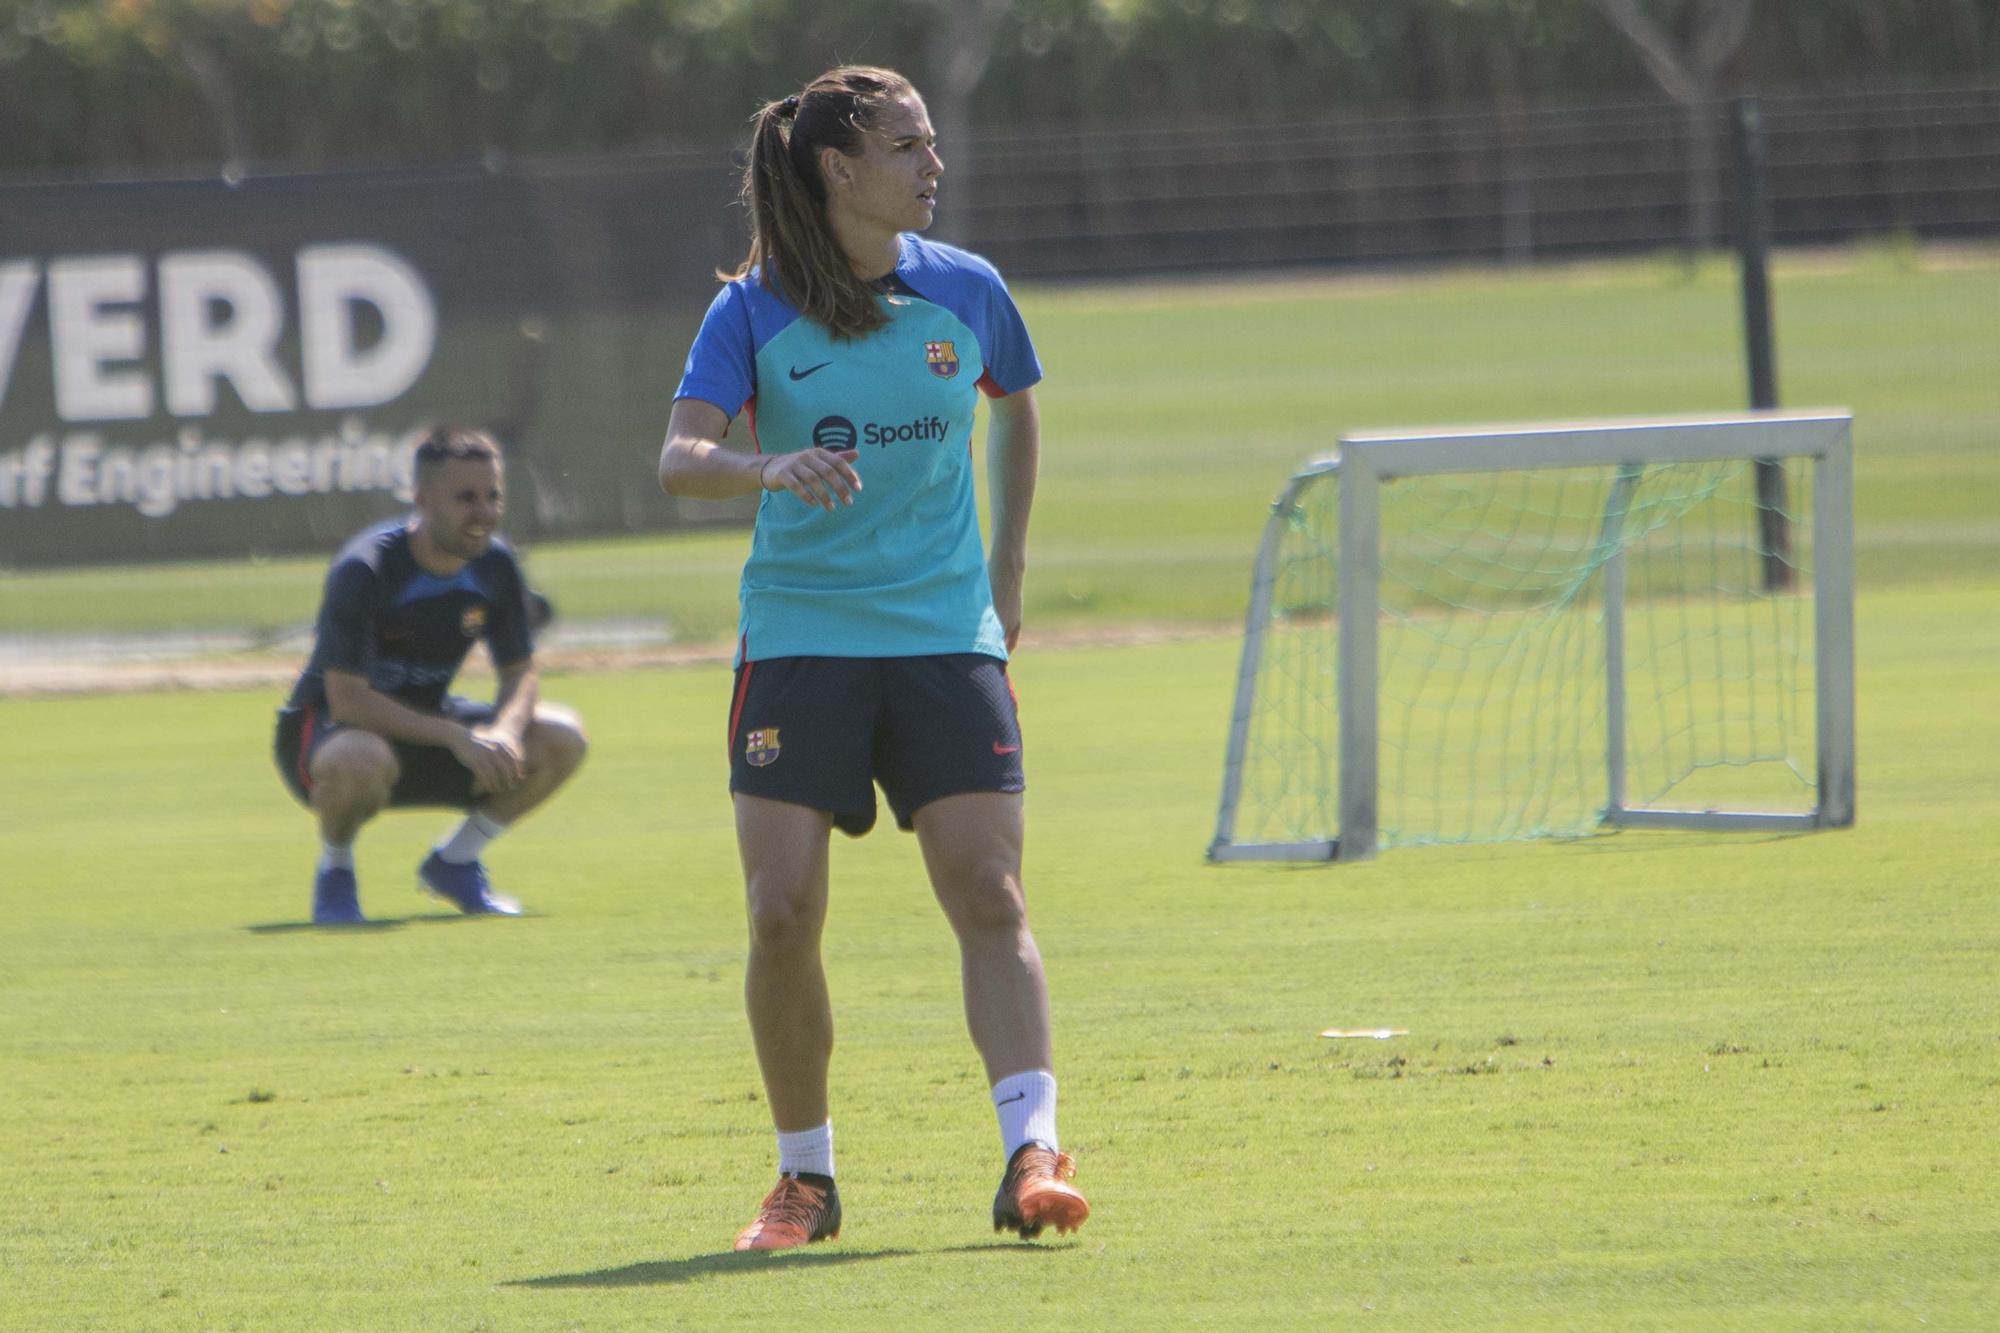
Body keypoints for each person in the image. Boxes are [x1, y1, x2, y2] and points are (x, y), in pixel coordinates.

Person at [658, 65, 1088, 1251]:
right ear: (838, 169)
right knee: (780, 911)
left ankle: (1032, 1151)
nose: (930, 166)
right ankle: (805, 1180)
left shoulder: (969, 290)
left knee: (988, 892)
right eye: (906, 147)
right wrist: (766, 468)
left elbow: (1020, 405)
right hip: (800, 639)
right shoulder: (747, 309)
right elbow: (679, 457)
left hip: (942, 635)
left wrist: (1004, 572)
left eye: (930, 143)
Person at [273, 424, 588, 924]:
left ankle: (456, 862)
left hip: (431, 728)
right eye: (466, 498)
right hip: (332, 737)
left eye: (493, 496)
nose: (484, 513)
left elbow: (520, 670)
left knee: (561, 736)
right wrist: (458, 737)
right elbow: (348, 699)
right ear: (421, 499)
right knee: (361, 756)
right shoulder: (367, 568)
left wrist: (504, 732)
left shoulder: (495, 564)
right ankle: (335, 872)